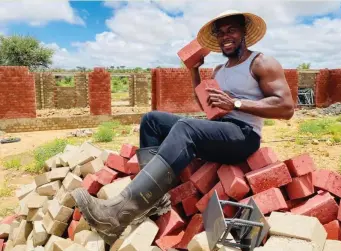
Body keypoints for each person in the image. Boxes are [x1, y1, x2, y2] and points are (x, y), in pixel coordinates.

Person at [71, 10, 294, 245]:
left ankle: (118, 213)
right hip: (219, 129)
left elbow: (286, 108)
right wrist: (194, 71)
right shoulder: (220, 71)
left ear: (244, 32)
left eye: (231, 30)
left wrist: (236, 103)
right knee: (152, 120)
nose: (225, 36)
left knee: (186, 127)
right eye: (220, 33)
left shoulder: (260, 62)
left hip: (243, 136)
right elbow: (207, 105)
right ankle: (154, 200)